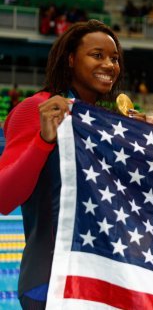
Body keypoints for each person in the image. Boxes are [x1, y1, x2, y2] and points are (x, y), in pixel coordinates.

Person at [0, 19, 123, 308]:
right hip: (50, 280)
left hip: (103, 281)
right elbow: (4, 198)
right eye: (97, 55)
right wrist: (44, 140)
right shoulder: (37, 108)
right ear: (70, 59)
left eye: (115, 58)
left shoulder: (105, 124)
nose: (109, 65)